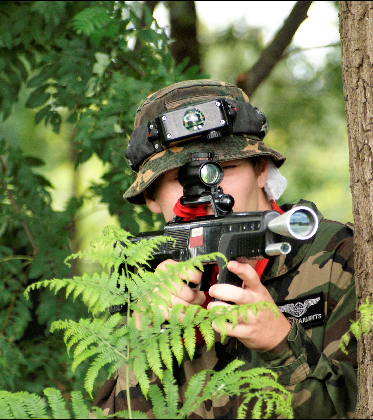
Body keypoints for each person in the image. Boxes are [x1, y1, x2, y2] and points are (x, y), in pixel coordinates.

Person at [92, 80, 357, 418]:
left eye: (223, 170)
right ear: (150, 197)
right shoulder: (145, 279)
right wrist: (150, 341)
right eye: (179, 179)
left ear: (261, 171)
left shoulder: (336, 256)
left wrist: (280, 343)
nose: (203, 193)